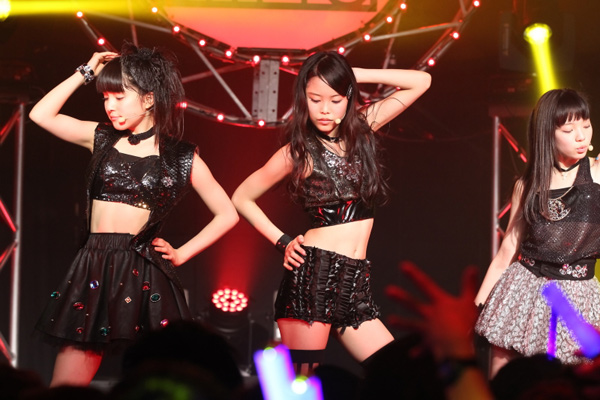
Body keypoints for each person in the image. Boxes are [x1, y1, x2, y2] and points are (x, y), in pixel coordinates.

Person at [29, 43, 238, 386]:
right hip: (94, 264)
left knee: (164, 372)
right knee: (69, 378)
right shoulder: (101, 138)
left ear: (149, 98)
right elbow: (41, 115)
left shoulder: (181, 156)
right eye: (105, 98)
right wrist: (86, 71)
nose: (110, 106)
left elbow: (227, 214)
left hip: (144, 267)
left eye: (119, 96)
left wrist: (182, 253)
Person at [232, 51, 431, 374]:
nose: (325, 109)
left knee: (398, 374)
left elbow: (422, 81)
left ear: (348, 97)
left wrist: (355, 73)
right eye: (315, 99)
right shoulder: (297, 152)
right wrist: (282, 241)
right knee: (302, 383)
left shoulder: (363, 128)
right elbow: (242, 196)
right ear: (303, 99)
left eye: (335, 99)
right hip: (313, 276)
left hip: (354, 281)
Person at [475, 88, 600, 377]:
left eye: (586, 125)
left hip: (577, 295)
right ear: (547, 133)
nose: (581, 136)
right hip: (523, 287)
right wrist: (476, 307)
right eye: (569, 129)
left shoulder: (596, 172)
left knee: (570, 382)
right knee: (504, 377)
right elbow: (507, 251)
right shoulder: (527, 185)